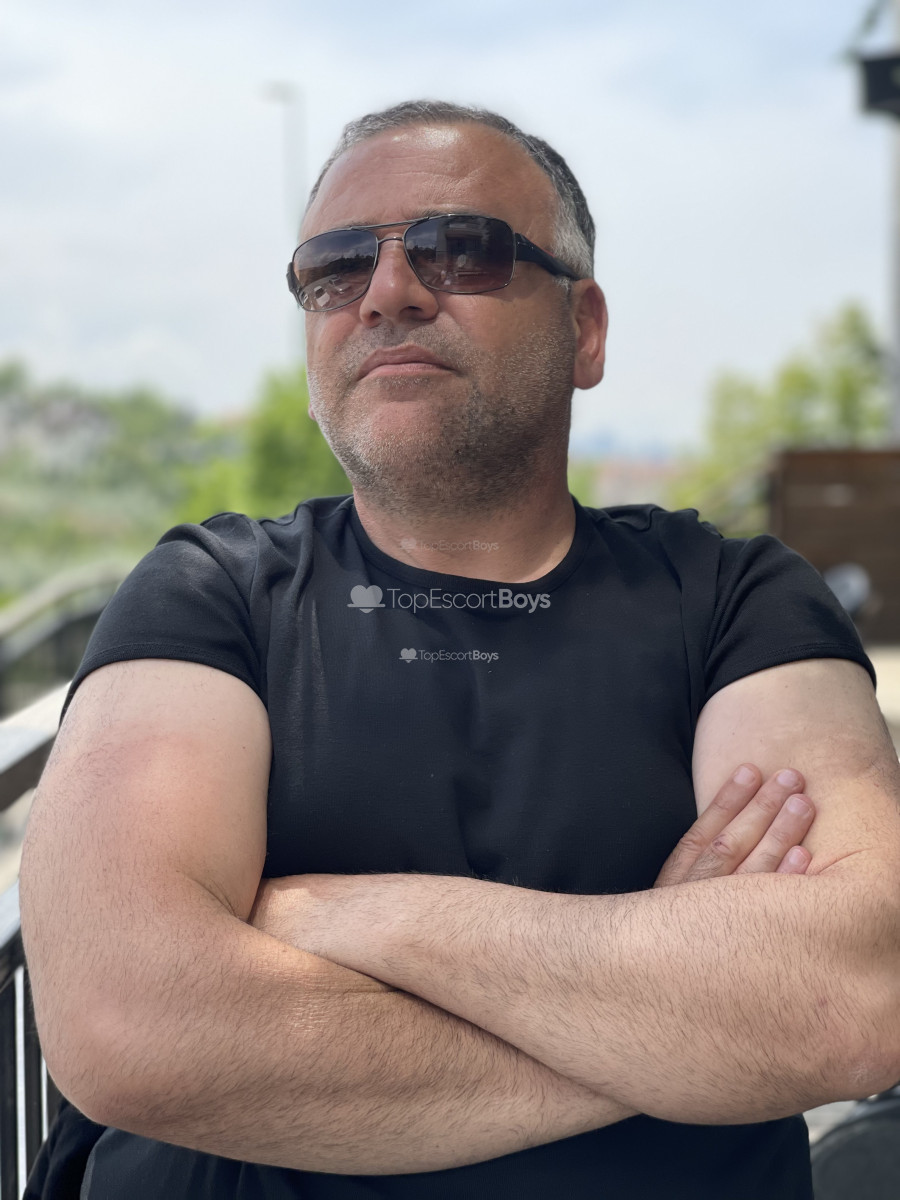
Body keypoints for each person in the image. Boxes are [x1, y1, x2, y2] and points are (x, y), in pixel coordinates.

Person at [18, 100, 900, 1200]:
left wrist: (340, 913)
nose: (388, 290)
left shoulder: (740, 602)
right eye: (336, 268)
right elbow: (130, 1024)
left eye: (460, 248)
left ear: (584, 329)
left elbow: (854, 994)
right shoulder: (208, 594)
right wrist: (674, 1025)